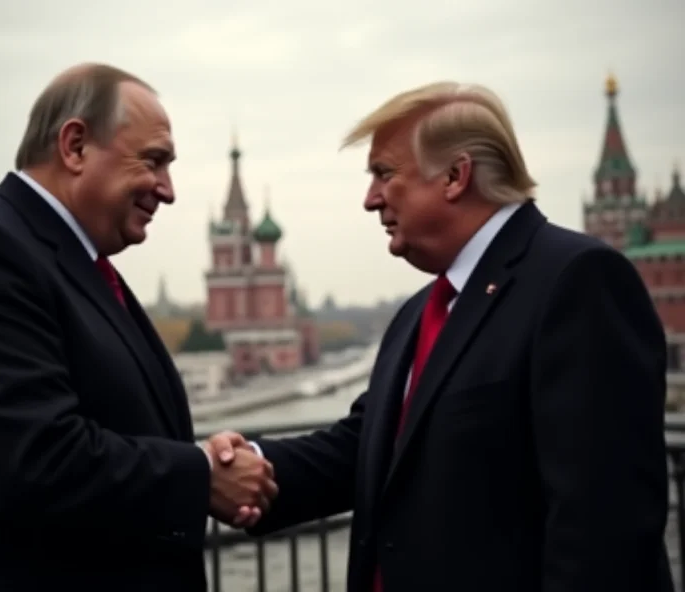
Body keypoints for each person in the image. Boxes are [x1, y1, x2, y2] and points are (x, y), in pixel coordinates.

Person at [210, 81, 674, 591]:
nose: (370, 200)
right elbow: (363, 450)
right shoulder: (420, 312)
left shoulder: (578, 281)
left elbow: (605, 526)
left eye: (384, 174)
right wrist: (238, 466)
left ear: (456, 176)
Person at [0, 63, 276, 592]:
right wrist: (200, 474)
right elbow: (36, 463)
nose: (168, 190)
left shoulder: (79, 266)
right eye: (154, 161)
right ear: (74, 146)